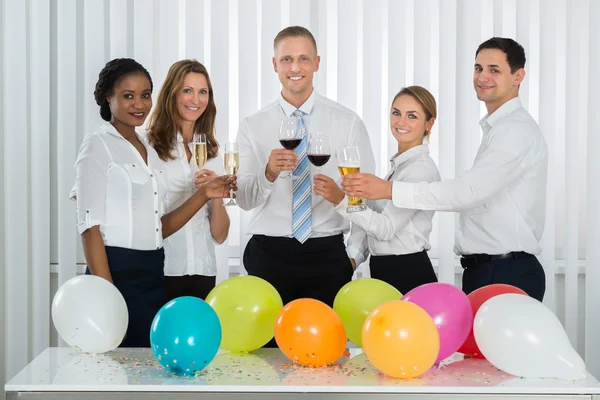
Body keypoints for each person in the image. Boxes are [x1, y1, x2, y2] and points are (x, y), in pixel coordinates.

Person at [341, 37, 548, 301]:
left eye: (494, 70)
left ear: (518, 76)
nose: (483, 76)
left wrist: (387, 190)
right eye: (478, 68)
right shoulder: (497, 130)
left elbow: (467, 193)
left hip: (505, 270)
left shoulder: (514, 131)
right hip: (486, 269)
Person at [72, 58, 235, 347]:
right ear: (107, 97)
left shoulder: (147, 149)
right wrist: (106, 293)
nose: (139, 104)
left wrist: (207, 194)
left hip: (156, 267)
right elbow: (89, 223)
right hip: (128, 266)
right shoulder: (106, 144)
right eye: (128, 96)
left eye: (144, 95)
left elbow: (159, 227)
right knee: (118, 361)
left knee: (153, 363)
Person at [235, 26, 376, 310]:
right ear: (274, 65)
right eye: (286, 59)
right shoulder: (252, 126)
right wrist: (268, 174)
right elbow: (244, 200)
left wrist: (353, 256)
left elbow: (367, 195)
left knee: (326, 352)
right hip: (268, 254)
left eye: (303, 59)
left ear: (317, 63)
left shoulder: (347, 122)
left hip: (327, 255)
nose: (295, 67)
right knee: (266, 353)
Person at [316, 86, 441, 295]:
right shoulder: (398, 168)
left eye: (412, 116)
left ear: (429, 123)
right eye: (396, 113)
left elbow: (384, 229)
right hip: (386, 269)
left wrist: (340, 200)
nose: (401, 122)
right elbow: (373, 220)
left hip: (408, 271)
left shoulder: (420, 170)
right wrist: (354, 257)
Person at [146, 59, 230, 301]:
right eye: (187, 91)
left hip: (203, 271)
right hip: (163, 269)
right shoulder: (148, 146)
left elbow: (221, 235)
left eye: (203, 92)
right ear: (172, 94)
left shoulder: (213, 153)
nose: (196, 100)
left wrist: (216, 197)